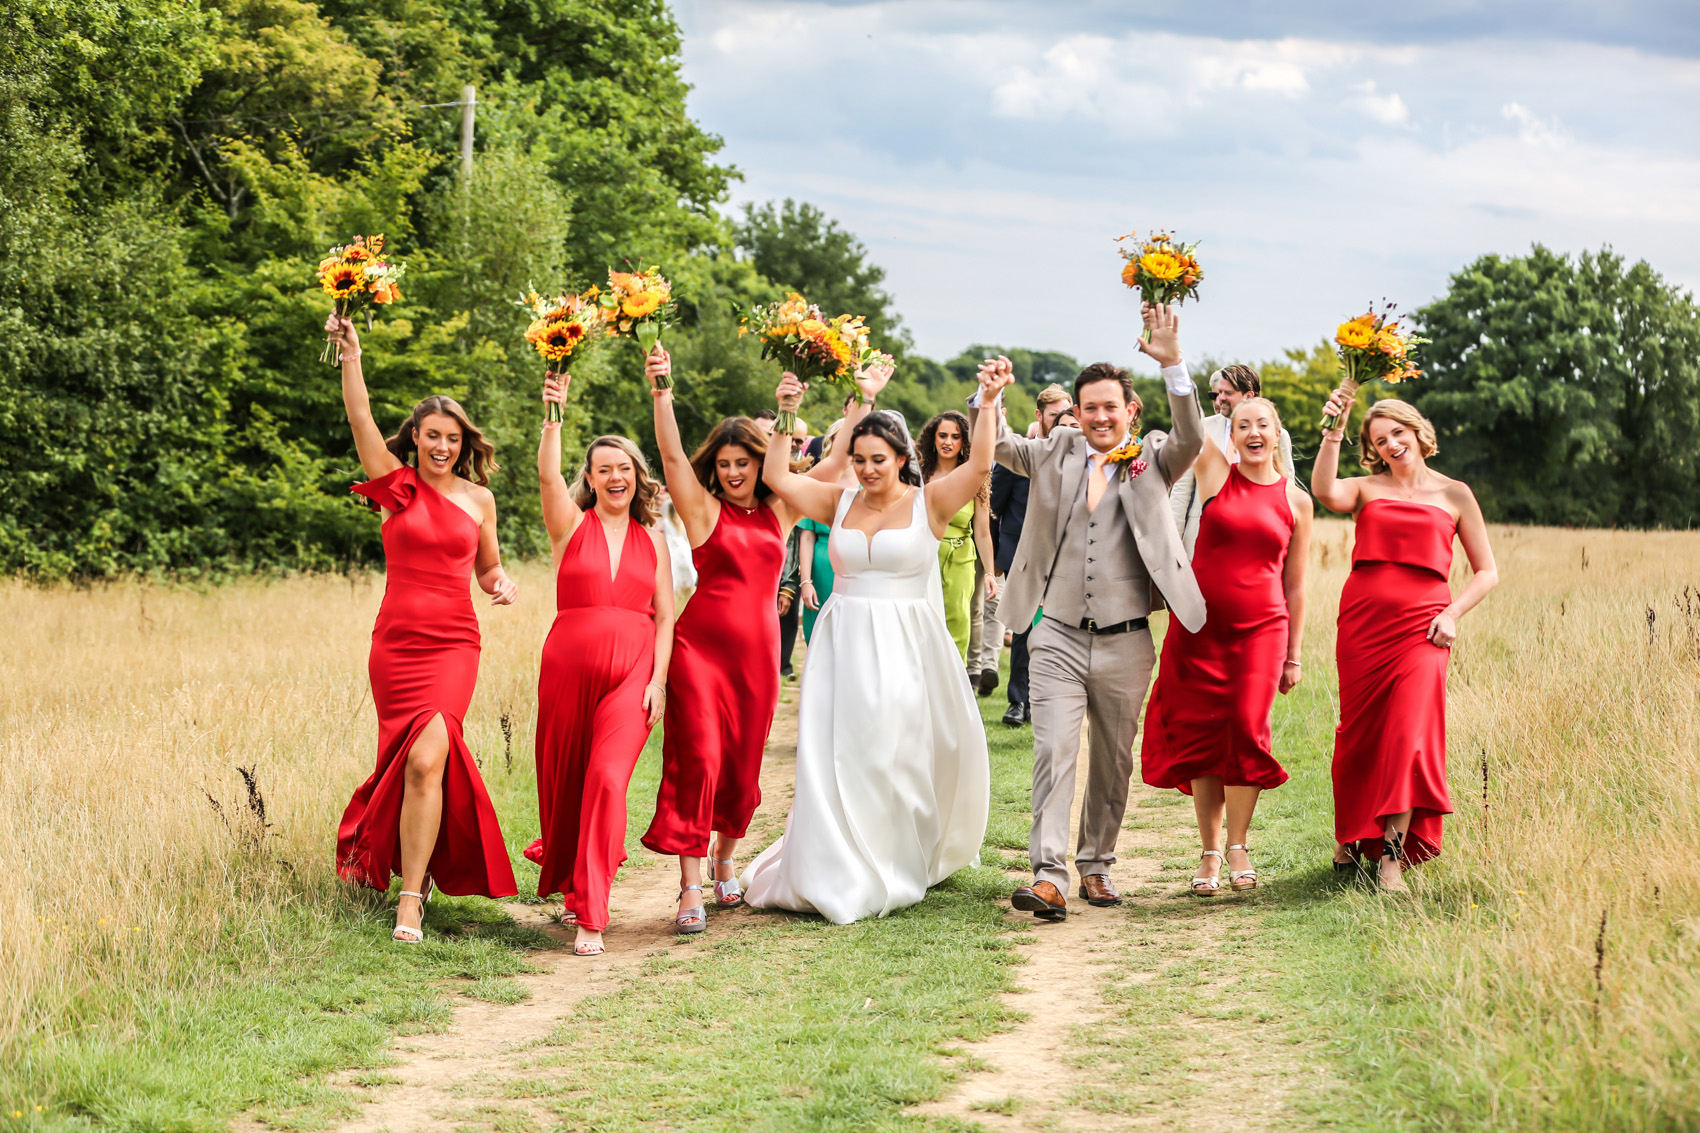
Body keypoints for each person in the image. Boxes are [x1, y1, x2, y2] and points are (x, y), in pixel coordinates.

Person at [740, 365, 1011, 923]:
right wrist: (788, 412)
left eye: (877, 460)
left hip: (906, 643)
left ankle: (894, 856)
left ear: (901, 457)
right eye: (859, 459)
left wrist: (988, 402)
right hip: (842, 644)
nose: (865, 469)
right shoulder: (837, 502)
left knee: (893, 750)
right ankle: (832, 860)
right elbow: (778, 477)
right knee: (837, 751)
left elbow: (982, 464)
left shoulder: (931, 502)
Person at [641, 347, 890, 932]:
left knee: (741, 766)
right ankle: (690, 885)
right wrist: (662, 390)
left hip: (757, 658)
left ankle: (726, 860)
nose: (733, 473)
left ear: (760, 464)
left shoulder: (780, 511)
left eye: (744, 463)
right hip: (698, 654)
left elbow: (835, 462)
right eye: (724, 463)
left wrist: (862, 400)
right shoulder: (702, 511)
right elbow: (672, 455)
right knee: (699, 759)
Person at [973, 303, 1205, 922]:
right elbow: (996, 447)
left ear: (1131, 410)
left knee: (1112, 758)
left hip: (1128, 639)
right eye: (1089, 407)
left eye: (1110, 407)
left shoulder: (1156, 455)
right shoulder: (1054, 450)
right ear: (1076, 411)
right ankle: (1048, 876)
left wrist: (1174, 364)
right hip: (1056, 634)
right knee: (1054, 751)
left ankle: (1096, 864)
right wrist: (988, 398)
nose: (1099, 417)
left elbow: (1193, 438)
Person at [323, 312, 519, 943]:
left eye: (453, 439)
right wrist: (351, 355)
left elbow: (487, 568)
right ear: (416, 437)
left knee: (431, 755)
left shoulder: (479, 500)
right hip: (396, 646)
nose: (442, 446)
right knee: (408, 766)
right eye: (432, 435)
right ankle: (417, 868)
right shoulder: (396, 487)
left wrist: (501, 584)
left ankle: (410, 900)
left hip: (455, 643)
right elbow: (360, 419)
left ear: (463, 444)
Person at [1312, 393, 1498, 892]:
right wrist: (1334, 429)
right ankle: (1351, 835)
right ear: (1372, 449)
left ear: (1417, 431)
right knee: (1360, 734)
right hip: (1363, 623)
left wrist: (1453, 614)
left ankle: (1391, 859)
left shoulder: (1456, 494)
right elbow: (1324, 490)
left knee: (1409, 739)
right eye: (1380, 440)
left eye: (1397, 433)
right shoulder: (1366, 489)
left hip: (1424, 627)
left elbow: (1487, 571)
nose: (1391, 444)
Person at [528, 375, 675, 956]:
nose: (616, 477)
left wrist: (658, 681)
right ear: (589, 479)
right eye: (604, 469)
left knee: (609, 779)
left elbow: (666, 616)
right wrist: (553, 416)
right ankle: (573, 881)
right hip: (567, 668)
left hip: (634, 672)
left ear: (637, 475)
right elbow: (546, 477)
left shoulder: (654, 538)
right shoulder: (569, 526)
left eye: (625, 468)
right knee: (565, 783)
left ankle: (592, 911)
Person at [1140, 397, 1312, 895]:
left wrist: (1294, 655)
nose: (1254, 432)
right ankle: (1210, 852)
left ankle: (1239, 845)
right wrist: (1174, 365)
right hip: (1198, 630)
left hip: (1262, 633)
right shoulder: (1216, 476)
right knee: (1202, 734)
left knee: (1244, 728)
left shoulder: (1296, 500)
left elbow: (1296, 585)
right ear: (1230, 437)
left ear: (1277, 434)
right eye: (1243, 425)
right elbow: (1187, 422)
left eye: (1263, 425)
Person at [995, 387, 1073, 726]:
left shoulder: (1081, 458)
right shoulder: (1022, 455)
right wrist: (998, 556)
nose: (1060, 423)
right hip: (1022, 556)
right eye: (1054, 416)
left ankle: (1050, 700)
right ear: (1040, 416)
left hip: (1065, 558)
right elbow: (995, 506)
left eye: (1065, 415)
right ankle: (1018, 700)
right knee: (1023, 628)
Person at [1170, 365, 1295, 557]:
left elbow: (1288, 489)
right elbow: (1181, 491)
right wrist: (1172, 546)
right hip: (1200, 538)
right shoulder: (1202, 429)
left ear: (1248, 396)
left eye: (1227, 393)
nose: (1219, 399)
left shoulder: (1277, 435)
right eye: (1218, 393)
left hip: (1255, 540)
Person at [918, 411, 999, 673]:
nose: (948, 442)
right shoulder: (918, 475)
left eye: (955, 437)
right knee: (922, 620)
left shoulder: (973, 477)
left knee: (958, 620)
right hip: (922, 557)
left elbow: (983, 531)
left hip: (960, 558)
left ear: (964, 442)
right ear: (933, 438)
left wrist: (989, 572)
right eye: (943, 435)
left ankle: (955, 679)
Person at [797, 419, 851, 643]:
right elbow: (807, 536)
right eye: (842, 438)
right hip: (821, 568)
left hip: (853, 566)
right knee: (820, 635)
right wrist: (806, 581)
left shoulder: (869, 482)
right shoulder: (818, 481)